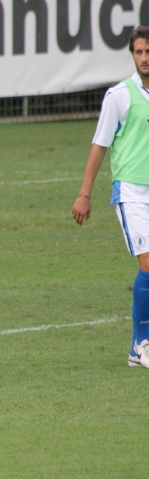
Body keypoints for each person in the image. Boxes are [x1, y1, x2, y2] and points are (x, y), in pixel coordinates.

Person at [72, 25, 149, 368]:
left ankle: (138, 348)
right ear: (132, 54)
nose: (144, 58)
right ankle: (141, 344)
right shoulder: (119, 95)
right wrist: (84, 194)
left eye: (148, 52)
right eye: (139, 52)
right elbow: (99, 145)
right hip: (132, 192)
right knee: (148, 264)